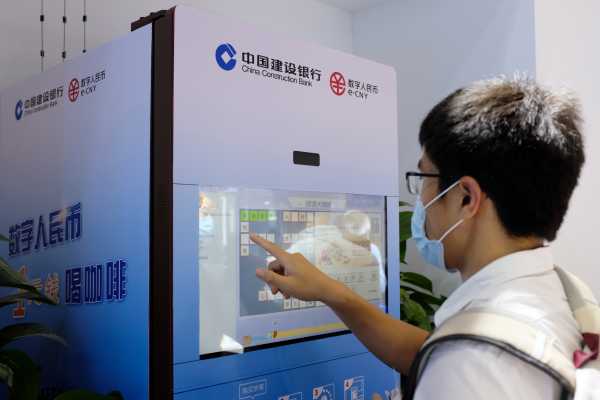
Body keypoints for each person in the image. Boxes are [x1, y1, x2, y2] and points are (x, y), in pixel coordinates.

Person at [250, 76, 586, 399]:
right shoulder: (561, 293)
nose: (421, 199)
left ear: (466, 198)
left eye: (424, 176)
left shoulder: (472, 362)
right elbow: (427, 351)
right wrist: (331, 291)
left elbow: (459, 360)